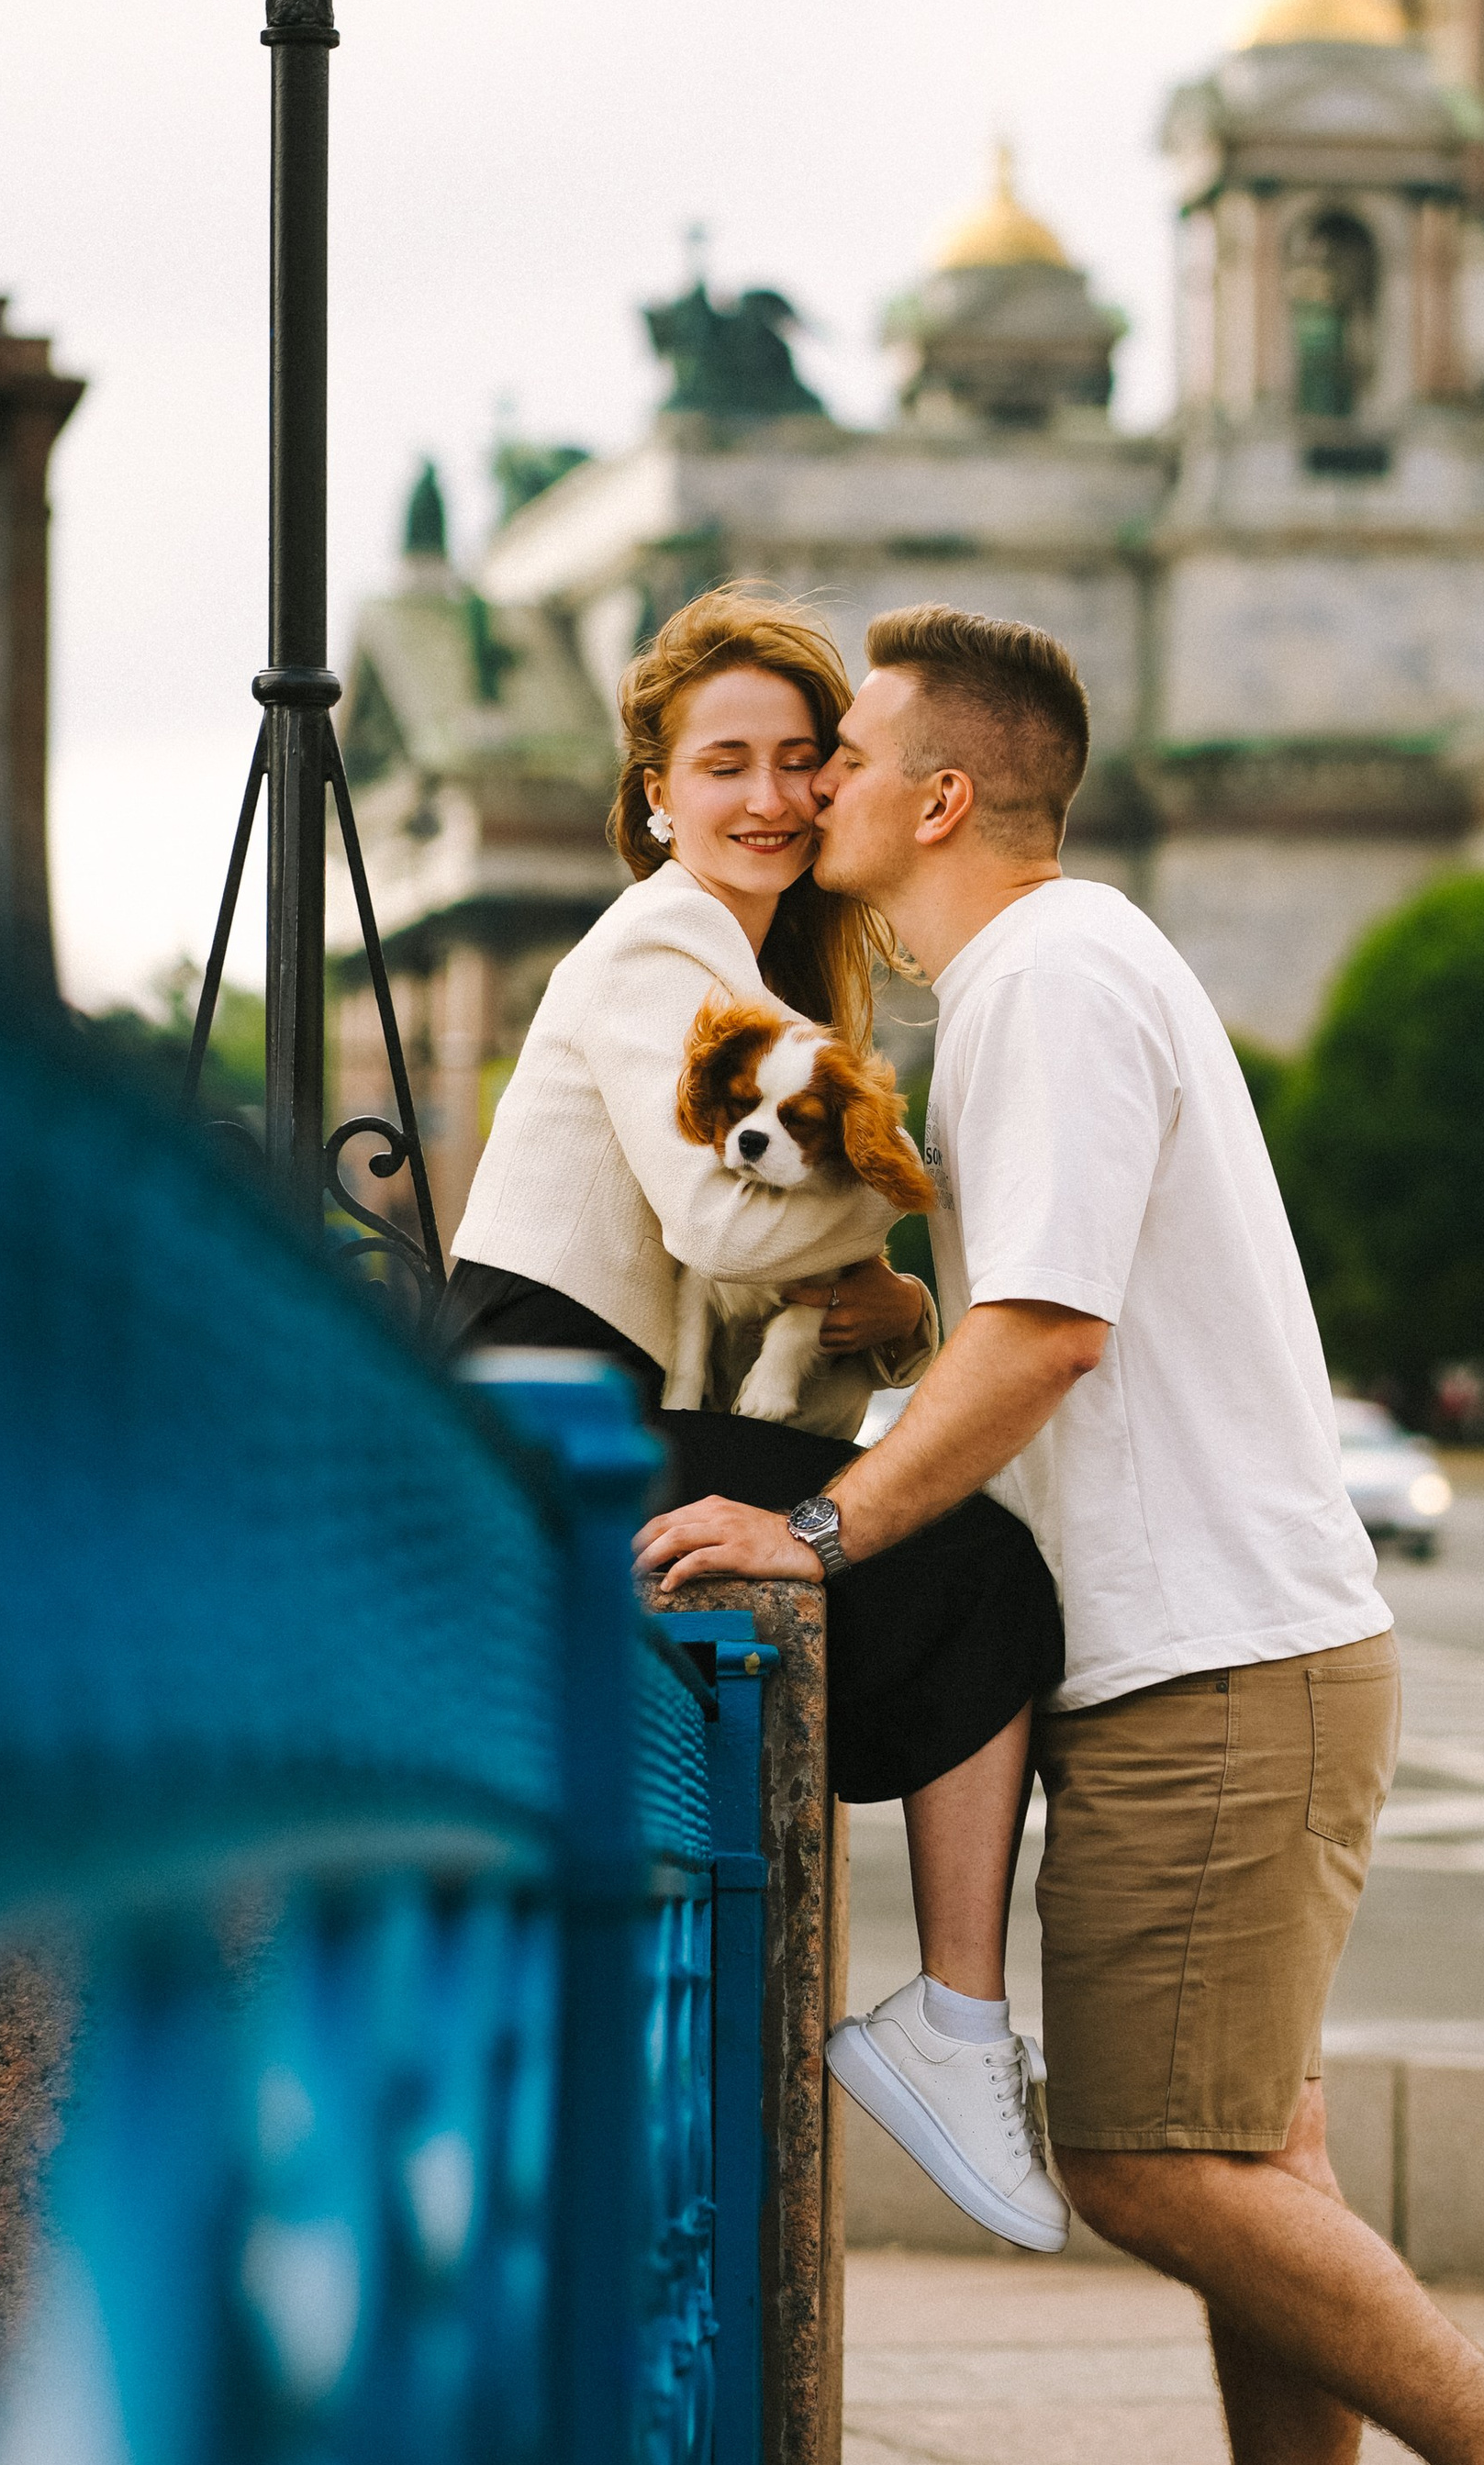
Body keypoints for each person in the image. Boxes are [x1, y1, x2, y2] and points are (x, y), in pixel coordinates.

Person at [635, 605, 1484, 2465]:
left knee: (1141, 2158)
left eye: (846, 757)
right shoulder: (1049, 980)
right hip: (1224, 1642)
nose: (805, 787)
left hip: (1215, 1659)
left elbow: (1055, 1340)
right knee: (1248, 2146)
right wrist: (900, 1329)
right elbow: (1029, 1322)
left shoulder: (1043, 975)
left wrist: (815, 1532)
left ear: (938, 797)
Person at [445, 587, 1067, 2255]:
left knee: (912, 1560)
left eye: (806, 760)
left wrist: (909, 1317)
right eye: (727, 765)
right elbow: (729, 1235)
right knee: (977, 1571)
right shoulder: (663, 939)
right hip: (547, 1412)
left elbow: (762, 1307)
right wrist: (930, 1234)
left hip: (577, 1415)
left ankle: (946, 2025)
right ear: (654, 791)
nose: (775, 797)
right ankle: (950, 2025)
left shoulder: (747, 963)